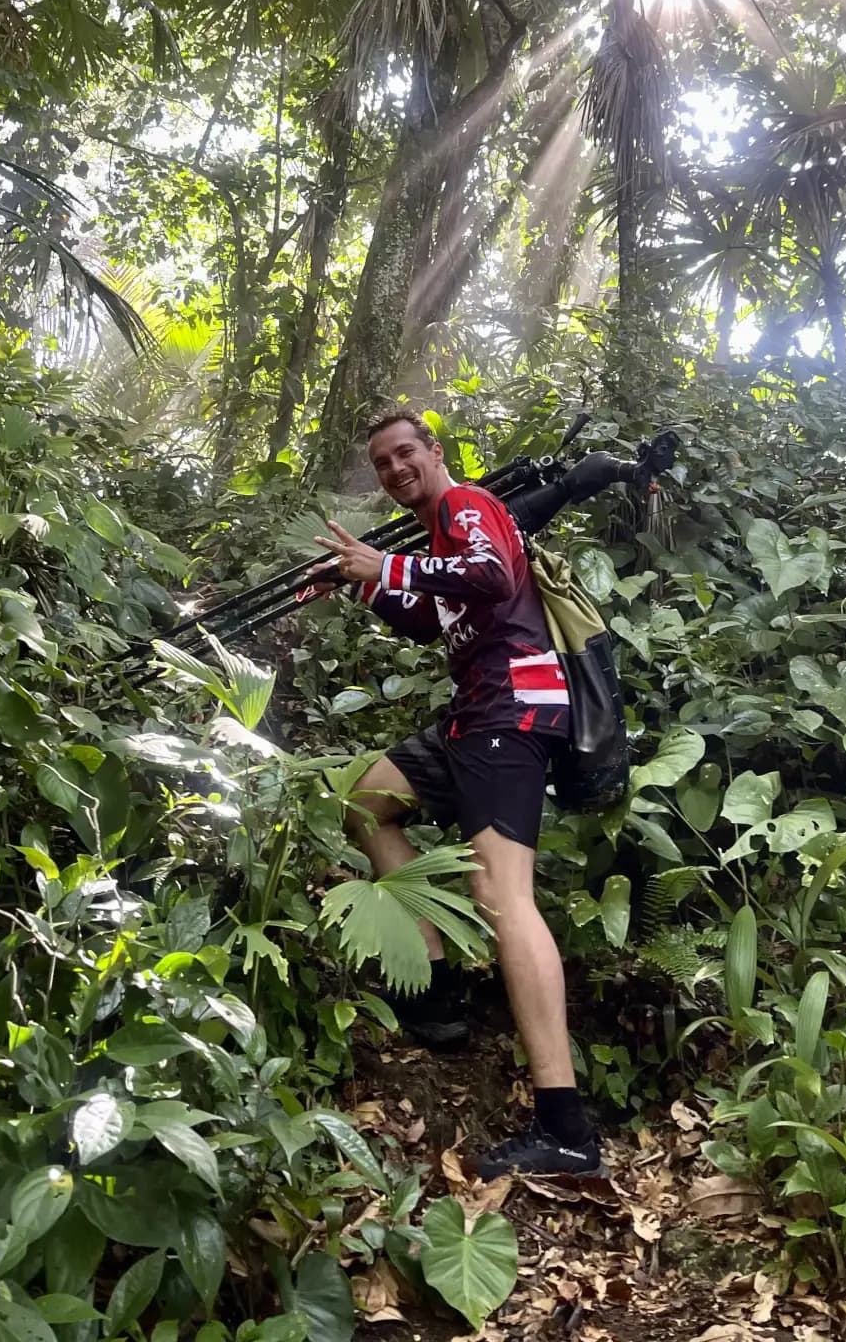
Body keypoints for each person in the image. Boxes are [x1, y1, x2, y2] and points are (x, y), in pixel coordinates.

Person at [316, 408, 602, 1179]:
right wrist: (364, 583)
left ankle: (565, 1128)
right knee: (367, 801)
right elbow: (429, 621)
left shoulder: (465, 505)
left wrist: (387, 564)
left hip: (512, 708)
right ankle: (435, 983)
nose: (395, 468)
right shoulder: (441, 536)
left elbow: (494, 575)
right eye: (382, 462)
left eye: (405, 452)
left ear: (435, 452)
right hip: (474, 716)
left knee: (502, 896)